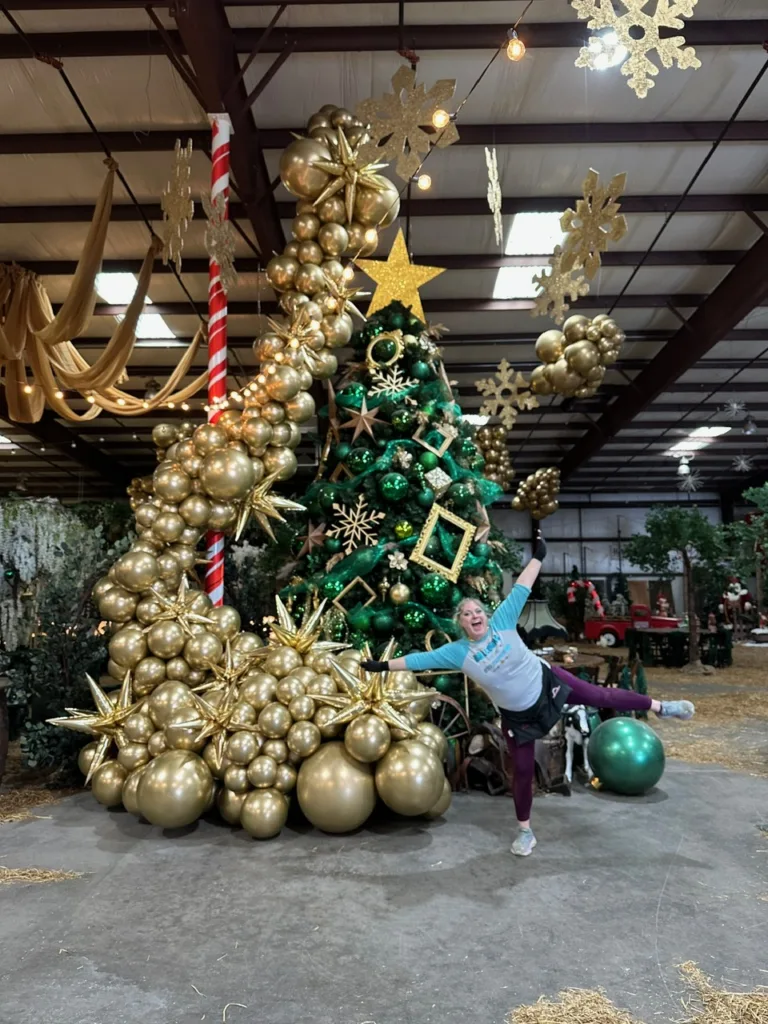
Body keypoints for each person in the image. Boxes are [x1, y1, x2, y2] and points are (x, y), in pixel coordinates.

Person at [362, 533, 694, 857]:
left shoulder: (503, 621)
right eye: (467, 614)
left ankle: (662, 707)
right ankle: (525, 831)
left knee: (599, 696)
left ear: (486, 615)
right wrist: (383, 666)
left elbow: (522, 586)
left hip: (547, 685)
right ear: (460, 623)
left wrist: (538, 556)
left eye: (478, 611)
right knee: (521, 771)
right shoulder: (457, 653)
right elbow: (420, 660)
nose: (475, 615)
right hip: (517, 716)